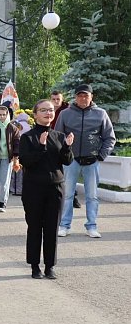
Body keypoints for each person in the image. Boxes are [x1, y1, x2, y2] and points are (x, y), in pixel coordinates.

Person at [19, 100, 74, 279]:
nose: (48, 113)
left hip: (55, 187)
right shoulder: (27, 137)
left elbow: (67, 161)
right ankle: (35, 266)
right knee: (35, 227)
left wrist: (67, 146)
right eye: (43, 110)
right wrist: (41, 146)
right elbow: (26, 161)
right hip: (34, 188)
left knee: (52, 228)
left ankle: (50, 266)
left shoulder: (59, 136)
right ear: (35, 114)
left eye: (50, 110)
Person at [56, 84, 116, 238]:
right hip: (71, 160)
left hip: (92, 160)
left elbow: (110, 138)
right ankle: (64, 225)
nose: (83, 98)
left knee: (92, 196)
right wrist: (63, 153)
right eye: (80, 95)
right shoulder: (65, 114)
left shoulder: (100, 114)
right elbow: (57, 136)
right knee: (67, 194)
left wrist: (101, 155)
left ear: (91, 97)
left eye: (86, 95)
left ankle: (92, 226)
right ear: (75, 97)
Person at [0, 105, 21, 212]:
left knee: (4, 182)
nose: (2, 117)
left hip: (7, 158)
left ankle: (2, 203)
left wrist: (16, 157)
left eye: (4, 115)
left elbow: (17, 143)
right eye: (0, 115)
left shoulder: (13, 128)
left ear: (7, 115)